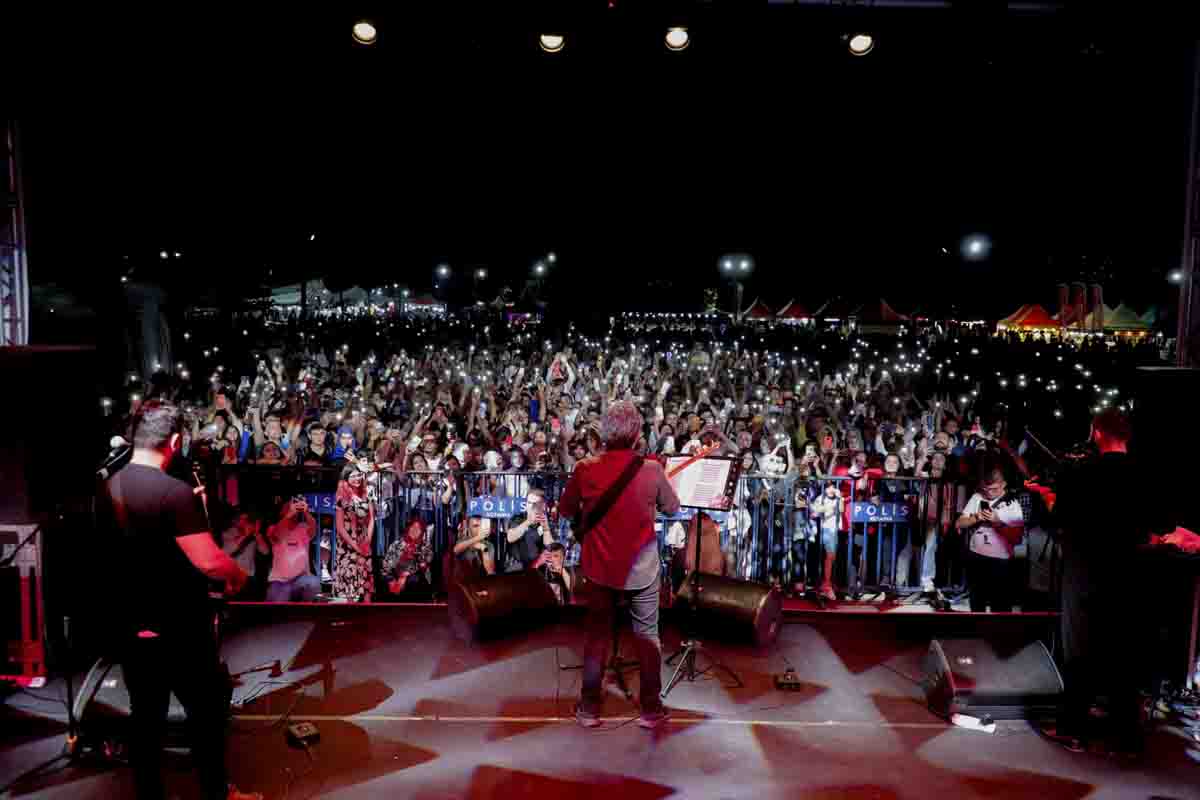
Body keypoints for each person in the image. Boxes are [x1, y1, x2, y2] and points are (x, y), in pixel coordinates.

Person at [102, 401, 260, 800]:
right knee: (205, 718)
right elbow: (208, 561)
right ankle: (216, 793)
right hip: (179, 627)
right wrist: (238, 574)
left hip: (130, 623)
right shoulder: (174, 493)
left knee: (146, 720)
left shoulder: (106, 487)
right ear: (174, 441)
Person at [558, 401, 681, 730]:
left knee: (596, 638)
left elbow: (566, 510)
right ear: (637, 433)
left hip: (599, 569)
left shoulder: (585, 468)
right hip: (641, 569)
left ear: (604, 432)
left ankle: (588, 709)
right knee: (647, 636)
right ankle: (651, 710)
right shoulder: (652, 469)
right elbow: (672, 508)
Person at [1042, 409, 1147, 755]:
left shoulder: (1080, 473)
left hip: (1085, 572)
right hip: (1130, 574)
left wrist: (1049, 498)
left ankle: (1073, 730)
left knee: (1079, 651)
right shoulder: (1144, 473)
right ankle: (1127, 739)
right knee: (1125, 653)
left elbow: (1059, 519)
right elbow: (1159, 526)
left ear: (1097, 432)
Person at [954, 460, 1024, 612]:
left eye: (994, 489)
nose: (989, 493)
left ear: (1004, 484)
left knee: (1000, 604)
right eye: (986, 489)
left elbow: (1017, 538)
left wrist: (997, 522)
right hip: (976, 557)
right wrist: (977, 518)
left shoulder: (1013, 505)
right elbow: (959, 523)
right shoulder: (977, 497)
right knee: (976, 602)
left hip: (1000, 561)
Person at [265, 496, 320, 602]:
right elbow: (276, 533)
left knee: (313, 583)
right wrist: (289, 514)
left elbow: (313, 527)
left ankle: (307, 614)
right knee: (280, 607)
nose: (293, 509)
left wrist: (306, 512)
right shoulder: (274, 528)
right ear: (282, 512)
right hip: (280, 581)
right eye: (289, 507)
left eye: (294, 507)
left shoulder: (303, 528)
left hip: (300, 579)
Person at [334, 464, 375, 602]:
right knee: (350, 576)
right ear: (346, 479)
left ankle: (367, 607)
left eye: (358, 475)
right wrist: (354, 545)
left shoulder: (367, 492)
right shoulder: (341, 496)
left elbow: (371, 519)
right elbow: (339, 526)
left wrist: (367, 540)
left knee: (365, 574)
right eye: (353, 476)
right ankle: (351, 607)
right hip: (347, 541)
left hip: (363, 539)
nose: (357, 478)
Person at [220, 509, 270, 600]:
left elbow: (265, 551)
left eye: (246, 520)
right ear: (235, 521)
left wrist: (257, 534)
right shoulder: (228, 533)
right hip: (233, 577)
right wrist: (245, 535)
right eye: (241, 519)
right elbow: (227, 552)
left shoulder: (253, 535)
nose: (245, 522)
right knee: (233, 607)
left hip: (249, 577)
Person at [381, 518, 434, 600]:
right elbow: (386, 564)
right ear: (408, 529)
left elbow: (423, 565)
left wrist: (405, 575)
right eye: (412, 527)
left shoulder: (425, 547)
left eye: (418, 529)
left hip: (415, 577)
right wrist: (390, 579)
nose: (414, 530)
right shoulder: (397, 543)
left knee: (414, 580)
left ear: (422, 532)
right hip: (396, 574)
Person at [452, 514, 496, 578]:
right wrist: (477, 538)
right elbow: (455, 550)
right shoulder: (463, 541)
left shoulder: (489, 545)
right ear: (468, 527)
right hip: (464, 581)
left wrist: (484, 549)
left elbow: (490, 572)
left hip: (481, 581)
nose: (479, 529)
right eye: (475, 526)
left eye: (481, 526)